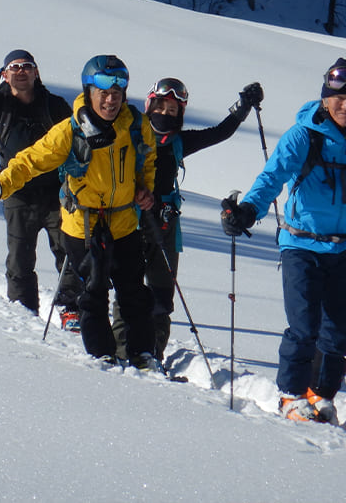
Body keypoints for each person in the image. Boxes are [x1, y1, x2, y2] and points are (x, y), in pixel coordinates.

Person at [220, 58, 346, 424]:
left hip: (345, 246)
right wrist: (249, 210)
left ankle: (321, 394)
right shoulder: (303, 135)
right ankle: (291, 396)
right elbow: (273, 176)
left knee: (337, 332)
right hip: (301, 244)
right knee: (304, 327)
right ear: (326, 99)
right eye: (339, 99)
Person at [0, 54, 160, 369]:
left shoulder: (138, 126)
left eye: (117, 92)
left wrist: (146, 190)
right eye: (103, 92)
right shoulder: (70, 131)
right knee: (93, 294)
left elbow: (148, 161)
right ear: (89, 91)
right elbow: (29, 160)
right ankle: (102, 358)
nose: (111, 99)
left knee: (134, 296)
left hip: (125, 222)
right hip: (82, 226)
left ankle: (143, 356)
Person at [113, 78, 264, 365]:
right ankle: (122, 349)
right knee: (127, 290)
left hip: (165, 226)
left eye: (173, 111)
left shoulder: (180, 142)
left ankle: (152, 354)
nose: (166, 114)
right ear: (150, 106)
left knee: (161, 294)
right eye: (161, 107)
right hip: (127, 222)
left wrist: (243, 107)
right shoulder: (129, 134)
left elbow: (220, 132)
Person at [0, 20, 79, 321]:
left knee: (70, 254)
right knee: (20, 260)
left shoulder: (55, 105)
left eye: (27, 66)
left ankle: (71, 310)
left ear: (36, 73)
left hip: (57, 194)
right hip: (18, 194)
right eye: (14, 67)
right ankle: (24, 313)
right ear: (5, 76)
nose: (21, 71)